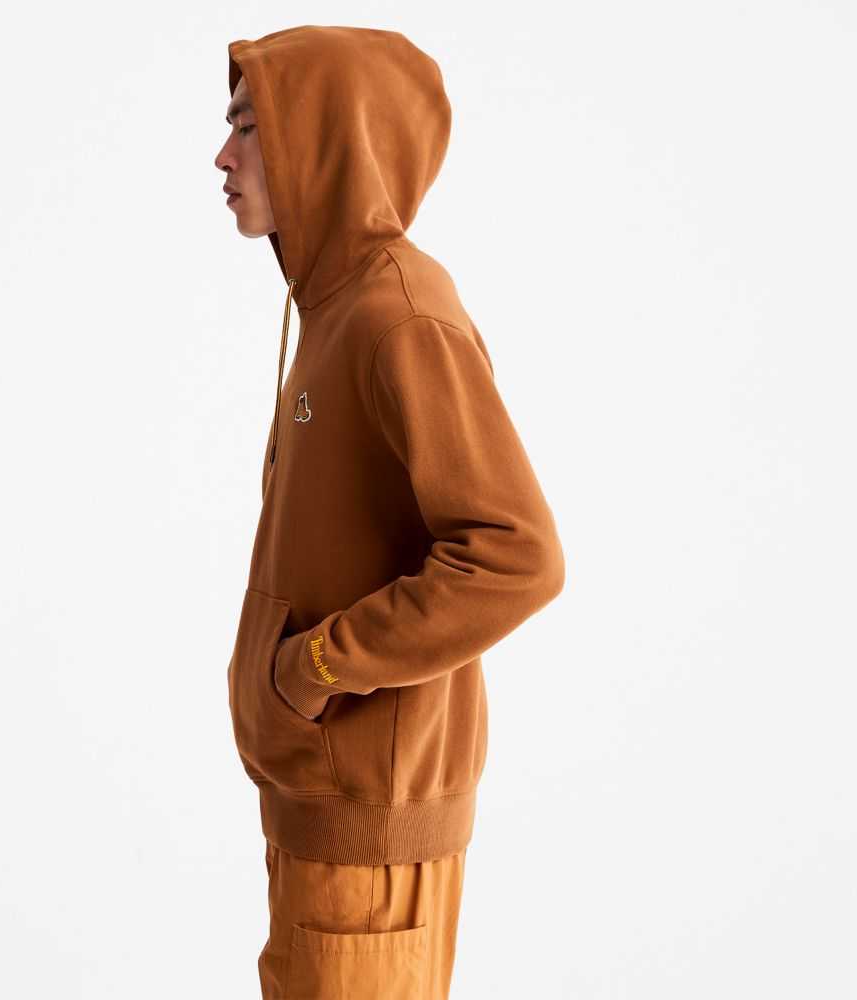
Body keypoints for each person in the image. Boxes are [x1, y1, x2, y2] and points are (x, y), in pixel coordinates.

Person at [214, 25, 565, 1000]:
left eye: (250, 126)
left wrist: (314, 668)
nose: (223, 156)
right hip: (324, 811)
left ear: (326, 137)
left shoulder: (397, 315)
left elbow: (516, 555)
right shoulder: (335, 308)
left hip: (369, 836)